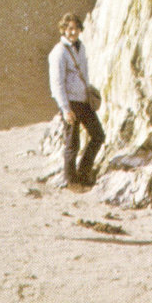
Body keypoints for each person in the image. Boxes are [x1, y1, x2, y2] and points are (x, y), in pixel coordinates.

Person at [48, 12, 105, 187]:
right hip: (71, 103)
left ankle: (83, 172)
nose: (73, 32)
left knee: (98, 136)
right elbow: (57, 83)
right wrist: (65, 109)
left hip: (84, 101)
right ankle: (71, 181)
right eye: (69, 28)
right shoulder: (59, 52)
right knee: (72, 143)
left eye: (76, 28)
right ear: (63, 30)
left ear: (80, 29)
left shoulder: (81, 47)